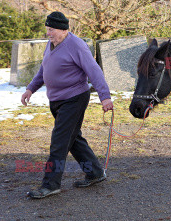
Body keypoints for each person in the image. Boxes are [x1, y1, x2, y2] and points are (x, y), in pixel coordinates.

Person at [21, 11, 113, 199]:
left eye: (51, 30)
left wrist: (105, 96)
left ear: (63, 30)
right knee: (73, 139)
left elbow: (94, 71)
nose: (48, 33)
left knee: (59, 142)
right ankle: (95, 172)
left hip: (74, 99)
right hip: (56, 100)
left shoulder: (76, 45)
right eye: (47, 29)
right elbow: (44, 69)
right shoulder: (52, 44)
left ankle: (50, 184)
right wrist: (30, 88)